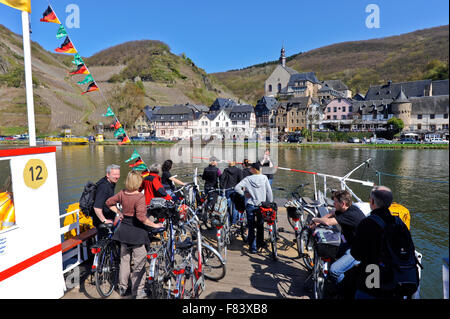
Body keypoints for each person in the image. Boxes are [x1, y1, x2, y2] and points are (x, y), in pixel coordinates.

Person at [106, 171, 164, 299]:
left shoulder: (122, 193)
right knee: (139, 263)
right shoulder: (139, 197)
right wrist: (155, 225)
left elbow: (108, 202)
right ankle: (138, 291)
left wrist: (119, 212)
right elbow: (141, 217)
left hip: (123, 232)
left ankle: (122, 287)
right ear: (138, 182)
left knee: (124, 261)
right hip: (137, 234)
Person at [312, 190, 366, 296]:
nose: (333, 204)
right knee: (329, 249)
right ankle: (334, 282)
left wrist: (314, 219)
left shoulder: (351, 214)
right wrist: (320, 220)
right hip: (350, 244)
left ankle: (344, 291)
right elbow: (332, 213)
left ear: (343, 204)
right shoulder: (346, 209)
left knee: (334, 270)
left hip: (359, 250)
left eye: (335, 202)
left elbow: (328, 222)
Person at [351, 186, 396, 299]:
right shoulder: (399, 223)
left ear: (372, 201)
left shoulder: (367, 223)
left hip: (372, 277)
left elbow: (356, 254)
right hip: (393, 279)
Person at [234, 162, 273, 254]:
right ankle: (260, 242)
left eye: (251, 168)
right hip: (261, 205)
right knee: (260, 224)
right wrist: (269, 203)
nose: (249, 170)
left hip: (250, 204)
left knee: (251, 227)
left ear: (254, 169)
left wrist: (244, 194)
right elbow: (269, 192)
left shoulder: (247, 179)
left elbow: (237, 188)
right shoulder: (264, 178)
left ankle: (253, 248)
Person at [92, 164, 121, 237]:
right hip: (102, 220)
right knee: (104, 240)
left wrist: (119, 213)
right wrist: (104, 220)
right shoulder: (103, 187)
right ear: (108, 175)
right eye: (114, 174)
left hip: (109, 216)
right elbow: (97, 207)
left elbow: (107, 201)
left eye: (118, 174)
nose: (117, 177)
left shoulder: (111, 183)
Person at [220, 161, 243, 225]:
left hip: (227, 189)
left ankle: (228, 221)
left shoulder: (226, 170)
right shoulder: (239, 170)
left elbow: (222, 179)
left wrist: (222, 187)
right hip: (236, 189)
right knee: (235, 206)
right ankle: (234, 222)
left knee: (228, 205)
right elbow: (241, 180)